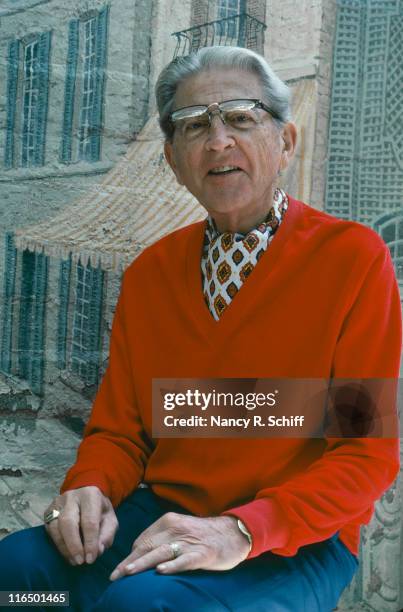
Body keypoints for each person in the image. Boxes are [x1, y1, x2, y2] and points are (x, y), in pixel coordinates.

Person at [0, 46, 401, 612]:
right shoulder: (149, 276)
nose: (218, 142)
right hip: (163, 515)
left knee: (139, 607)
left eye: (241, 117)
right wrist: (88, 485)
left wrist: (239, 531)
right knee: (16, 581)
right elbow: (121, 431)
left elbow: (364, 454)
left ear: (285, 143)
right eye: (194, 125)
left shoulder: (352, 260)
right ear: (172, 158)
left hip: (293, 540)